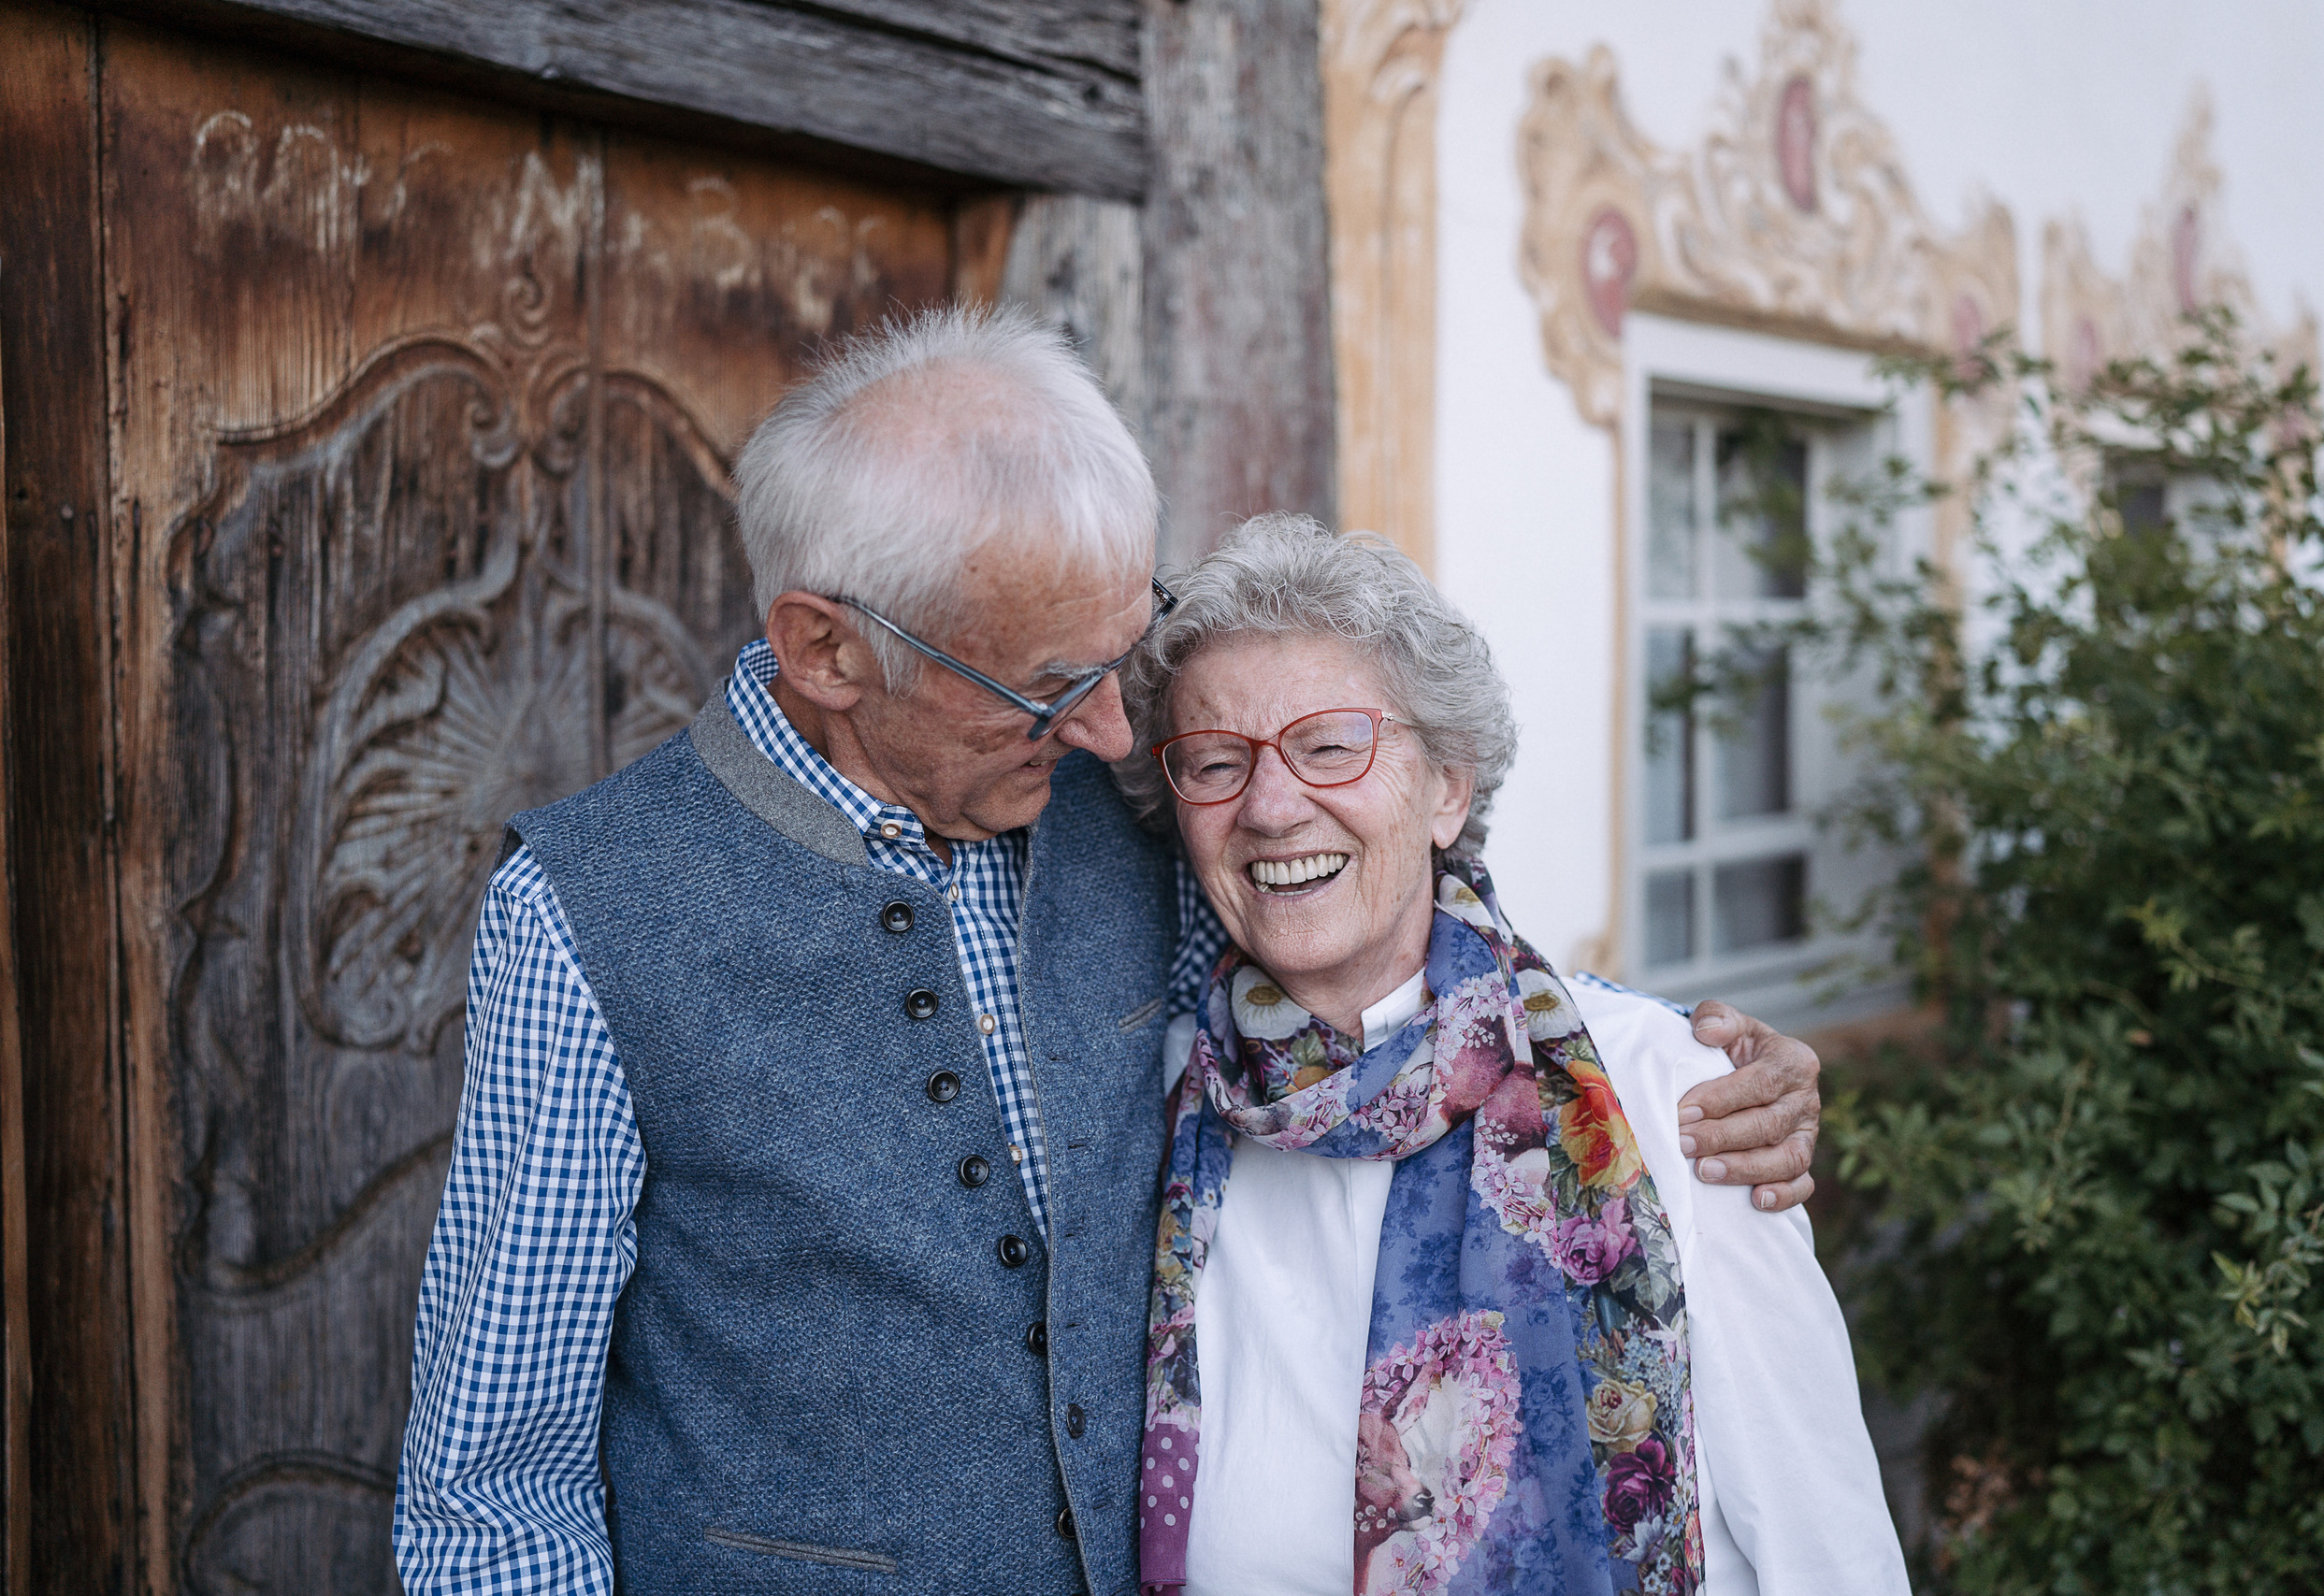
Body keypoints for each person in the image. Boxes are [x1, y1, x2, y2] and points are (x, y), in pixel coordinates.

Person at [392, 308, 1828, 1595]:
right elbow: (494, 1485)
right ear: (827, 651)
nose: (1106, 734)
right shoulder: (583, 911)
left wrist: (1658, 1054)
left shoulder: (1129, 810)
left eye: (1120, 661)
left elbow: (1368, 923)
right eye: (1048, 688)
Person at [1117, 514, 1906, 1595]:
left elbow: (1832, 1554)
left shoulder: (1662, 1091)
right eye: (1215, 762)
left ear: (1447, 789)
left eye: (1331, 744)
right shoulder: (1163, 1109)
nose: (1268, 805)